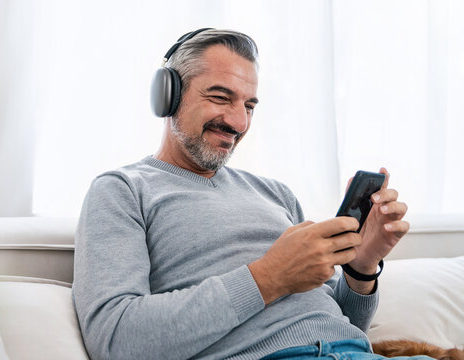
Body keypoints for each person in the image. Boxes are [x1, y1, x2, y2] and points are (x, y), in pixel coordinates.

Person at [72, 29, 416, 360]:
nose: (238, 122)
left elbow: (336, 325)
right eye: (221, 97)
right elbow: (116, 340)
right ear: (168, 96)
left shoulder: (276, 194)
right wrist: (269, 277)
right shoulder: (122, 190)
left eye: (249, 106)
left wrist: (362, 267)